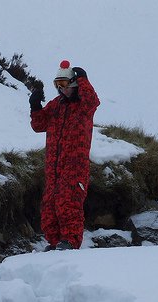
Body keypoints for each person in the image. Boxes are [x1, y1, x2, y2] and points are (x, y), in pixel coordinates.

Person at [29, 60, 100, 250]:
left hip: (74, 166)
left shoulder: (83, 106)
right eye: (57, 85)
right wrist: (35, 106)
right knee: (50, 206)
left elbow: (93, 100)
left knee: (68, 203)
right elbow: (38, 125)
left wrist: (84, 80)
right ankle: (55, 243)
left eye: (64, 84)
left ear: (75, 84)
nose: (61, 89)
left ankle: (70, 241)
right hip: (53, 168)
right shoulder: (56, 105)